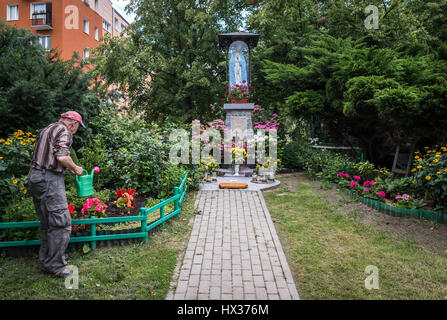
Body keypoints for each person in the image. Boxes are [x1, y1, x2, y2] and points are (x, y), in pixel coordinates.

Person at [28, 111, 85, 278]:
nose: (76, 130)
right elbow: (62, 156)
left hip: (35, 176)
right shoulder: (64, 130)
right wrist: (75, 168)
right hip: (49, 178)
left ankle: (46, 262)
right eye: (77, 127)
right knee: (62, 222)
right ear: (73, 123)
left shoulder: (48, 128)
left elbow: (50, 155)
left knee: (47, 223)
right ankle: (57, 266)